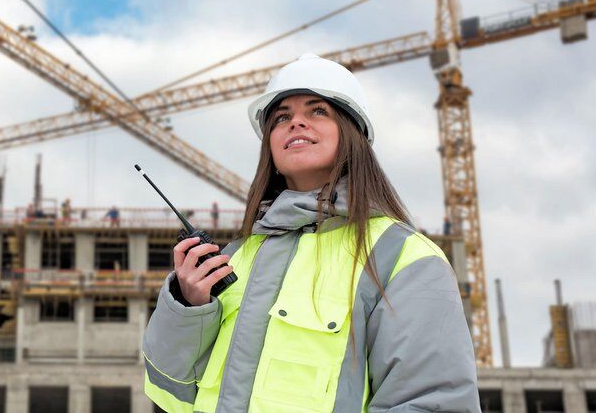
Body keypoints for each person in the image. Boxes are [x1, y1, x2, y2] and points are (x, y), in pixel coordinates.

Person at [142, 54, 478, 412]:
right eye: (282, 117)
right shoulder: (235, 257)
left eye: (317, 111)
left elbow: (433, 402)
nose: (296, 123)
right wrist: (189, 307)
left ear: (352, 133)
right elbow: (169, 394)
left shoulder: (403, 258)